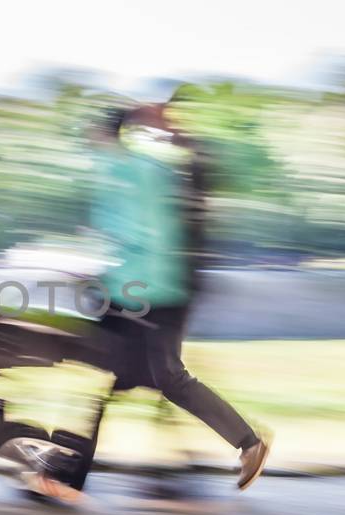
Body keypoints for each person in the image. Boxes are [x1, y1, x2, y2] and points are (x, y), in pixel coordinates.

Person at [81, 103, 271, 492]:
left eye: (94, 133)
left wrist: (105, 277)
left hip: (144, 292)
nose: (90, 140)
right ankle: (72, 474)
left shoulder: (127, 172)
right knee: (124, 377)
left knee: (159, 377)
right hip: (152, 289)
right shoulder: (144, 169)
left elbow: (138, 236)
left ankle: (246, 443)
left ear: (105, 134)